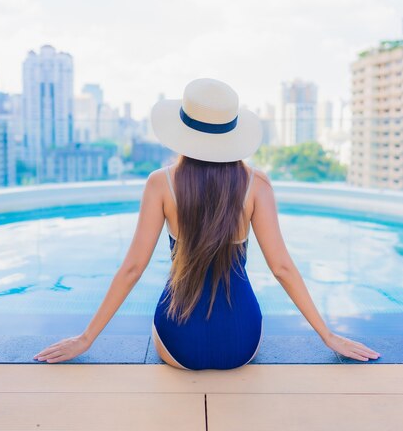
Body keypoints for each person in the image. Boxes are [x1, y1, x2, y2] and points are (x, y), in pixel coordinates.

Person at [33, 77, 380, 367]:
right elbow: (282, 268)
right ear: (232, 131)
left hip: (177, 341)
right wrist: (328, 335)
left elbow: (133, 268)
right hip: (242, 343)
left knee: (158, 318)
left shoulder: (160, 183)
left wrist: (86, 338)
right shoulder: (256, 184)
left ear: (182, 129)